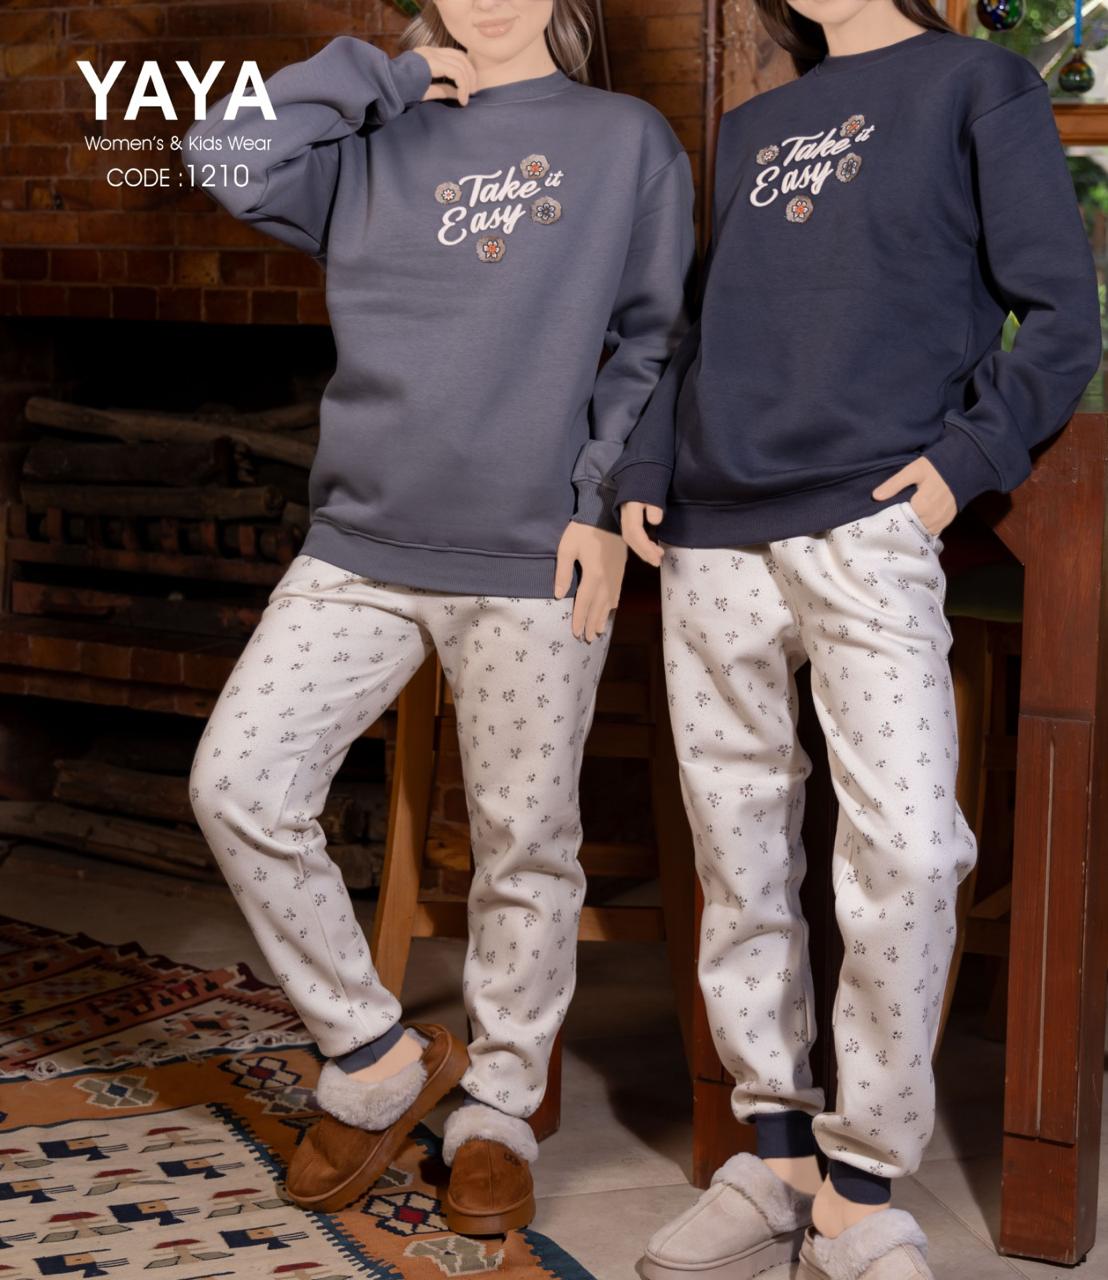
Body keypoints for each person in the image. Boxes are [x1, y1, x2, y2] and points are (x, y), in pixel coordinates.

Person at [607, 1, 1102, 1277]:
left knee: (911, 846)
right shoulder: (758, 123)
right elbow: (703, 329)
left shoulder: (977, 84)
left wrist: (965, 461)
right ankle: (773, 1153)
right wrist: (648, 463)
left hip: (868, 519)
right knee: (738, 851)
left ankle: (860, 1184)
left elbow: (1061, 314)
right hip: (712, 531)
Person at [185, 0, 694, 1235]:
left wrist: (603, 501)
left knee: (525, 840)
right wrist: (386, 74)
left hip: (535, 548)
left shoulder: (624, 137)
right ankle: (374, 1055)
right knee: (237, 782)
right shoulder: (373, 127)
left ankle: (499, 1111)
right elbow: (221, 152)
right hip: (359, 543)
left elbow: (655, 338)